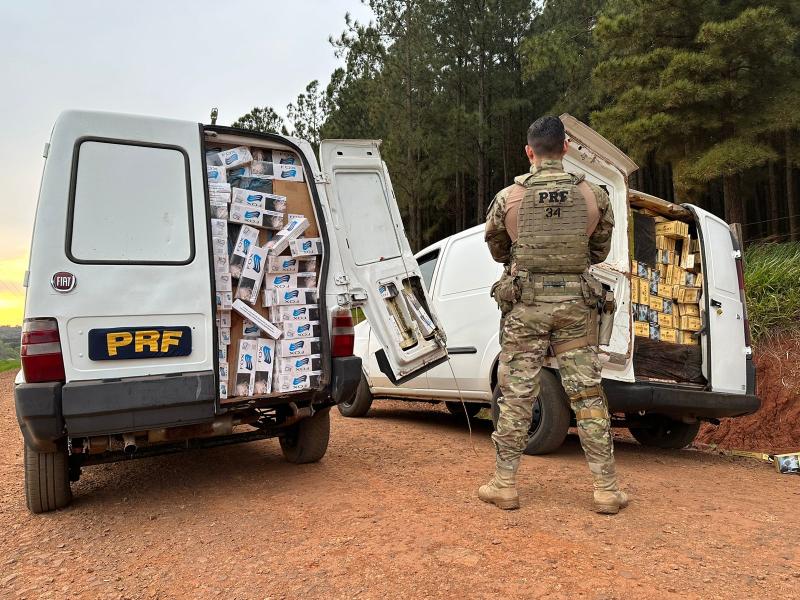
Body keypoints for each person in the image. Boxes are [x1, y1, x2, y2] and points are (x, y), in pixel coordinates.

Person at [480, 116, 628, 514]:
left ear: (530, 152)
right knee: (587, 395)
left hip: (525, 306)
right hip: (576, 307)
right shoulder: (594, 195)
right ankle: (606, 489)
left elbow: (497, 248)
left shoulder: (508, 198)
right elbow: (598, 251)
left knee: (516, 395)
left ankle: (505, 484)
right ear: (565, 148)